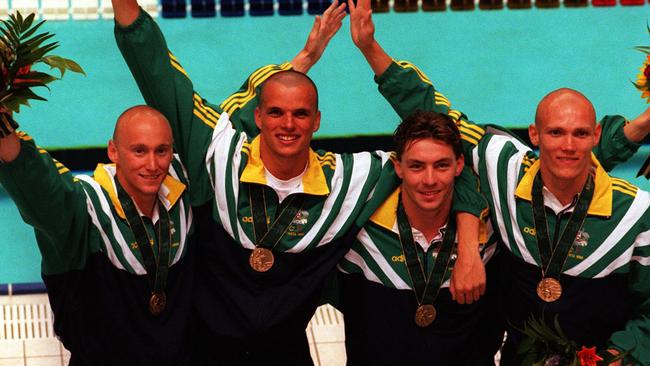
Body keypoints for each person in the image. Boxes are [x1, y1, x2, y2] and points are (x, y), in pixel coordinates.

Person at [111, 1, 488, 364]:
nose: (288, 124)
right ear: (257, 117)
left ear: (318, 121)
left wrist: (469, 249)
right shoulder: (220, 155)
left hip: (286, 354)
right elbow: (157, 70)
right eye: (275, 112)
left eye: (300, 114)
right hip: (203, 351)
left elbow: (451, 153)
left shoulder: (351, 181)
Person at [346, 1, 650, 361]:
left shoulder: (636, 211)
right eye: (555, 132)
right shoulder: (502, 167)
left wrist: (619, 357)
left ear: (594, 136)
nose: (567, 145)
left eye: (580, 134)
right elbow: (431, 112)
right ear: (534, 135)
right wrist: (370, 48)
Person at [0, 106, 195, 366]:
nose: (152, 165)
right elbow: (38, 182)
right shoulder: (86, 208)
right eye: (139, 150)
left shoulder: (182, 192)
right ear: (113, 151)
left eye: (161, 150)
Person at [337, 109, 498, 365]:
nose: (430, 180)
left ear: (459, 166)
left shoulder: (490, 230)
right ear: (398, 167)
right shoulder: (361, 229)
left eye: (442, 165)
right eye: (416, 166)